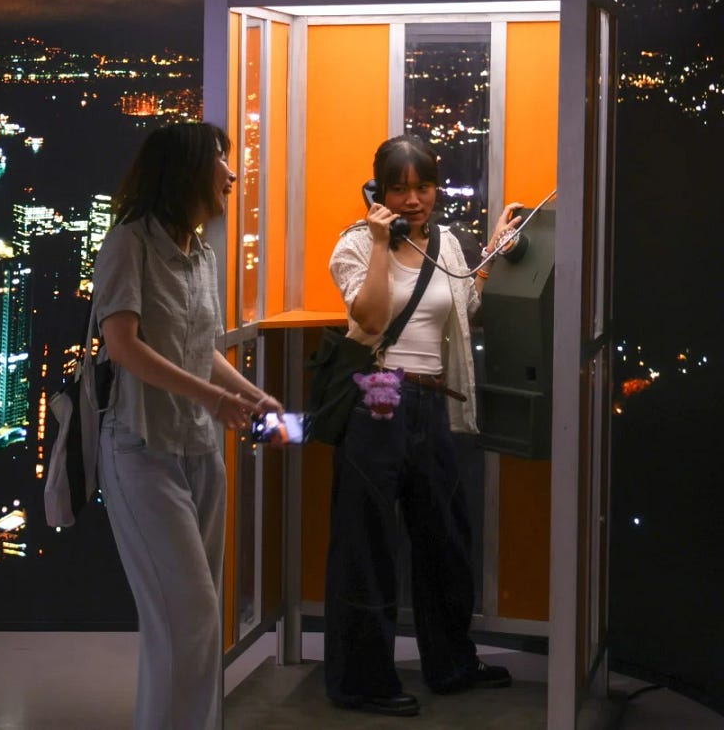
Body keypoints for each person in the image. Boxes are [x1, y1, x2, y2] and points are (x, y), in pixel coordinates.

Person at [92, 121, 283, 730]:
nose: (232, 174)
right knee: (190, 617)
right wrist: (216, 400)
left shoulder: (200, 252)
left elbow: (200, 348)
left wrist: (253, 397)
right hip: (141, 451)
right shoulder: (130, 244)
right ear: (187, 172)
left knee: (187, 624)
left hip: (201, 454)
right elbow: (121, 345)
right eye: (221, 162)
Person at [324, 134, 523, 717]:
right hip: (380, 392)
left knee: (444, 537)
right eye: (399, 188)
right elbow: (369, 315)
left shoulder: (448, 243)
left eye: (423, 186)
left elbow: (465, 311)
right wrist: (384, 242)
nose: (414, 199)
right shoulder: (356, 245)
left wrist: (490, 253)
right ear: (377, 193)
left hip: (433, 400)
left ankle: (452, 664)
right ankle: (362, 681)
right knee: (369, 544)